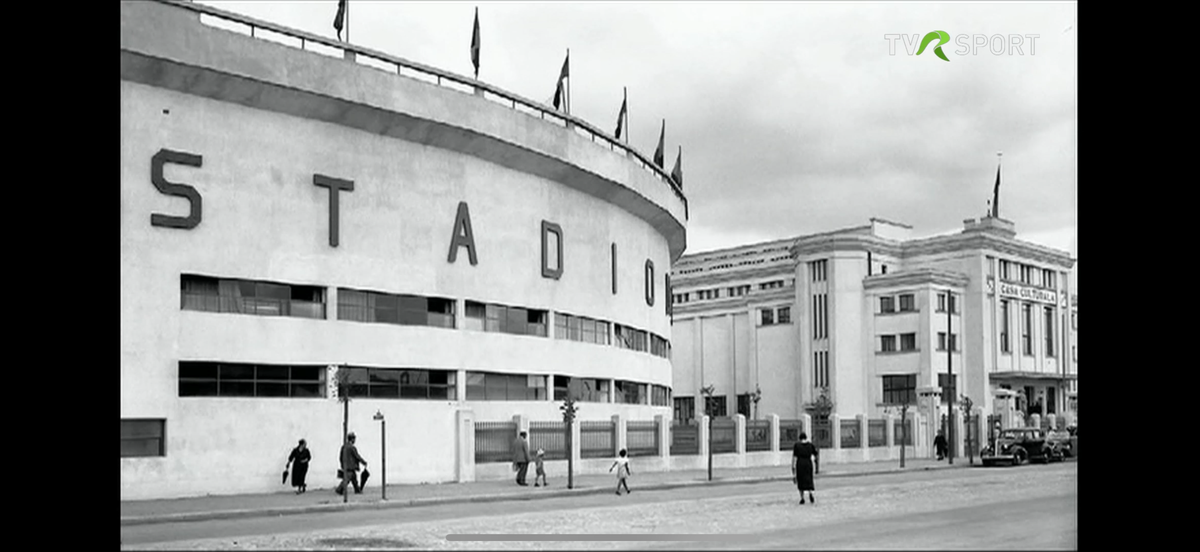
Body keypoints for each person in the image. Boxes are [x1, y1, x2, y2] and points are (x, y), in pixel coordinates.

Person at [791, 432, 818, 505]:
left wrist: (793, 467)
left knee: (801, 480)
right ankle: (810, 493)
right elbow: (815, 454)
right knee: (809, 479)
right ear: (806, 438)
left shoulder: (797, 445)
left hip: (800, 464)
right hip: (808, 463)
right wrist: (814, 461)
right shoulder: (810, 445)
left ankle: (802, 498)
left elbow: (794, 457)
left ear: (800, 438)